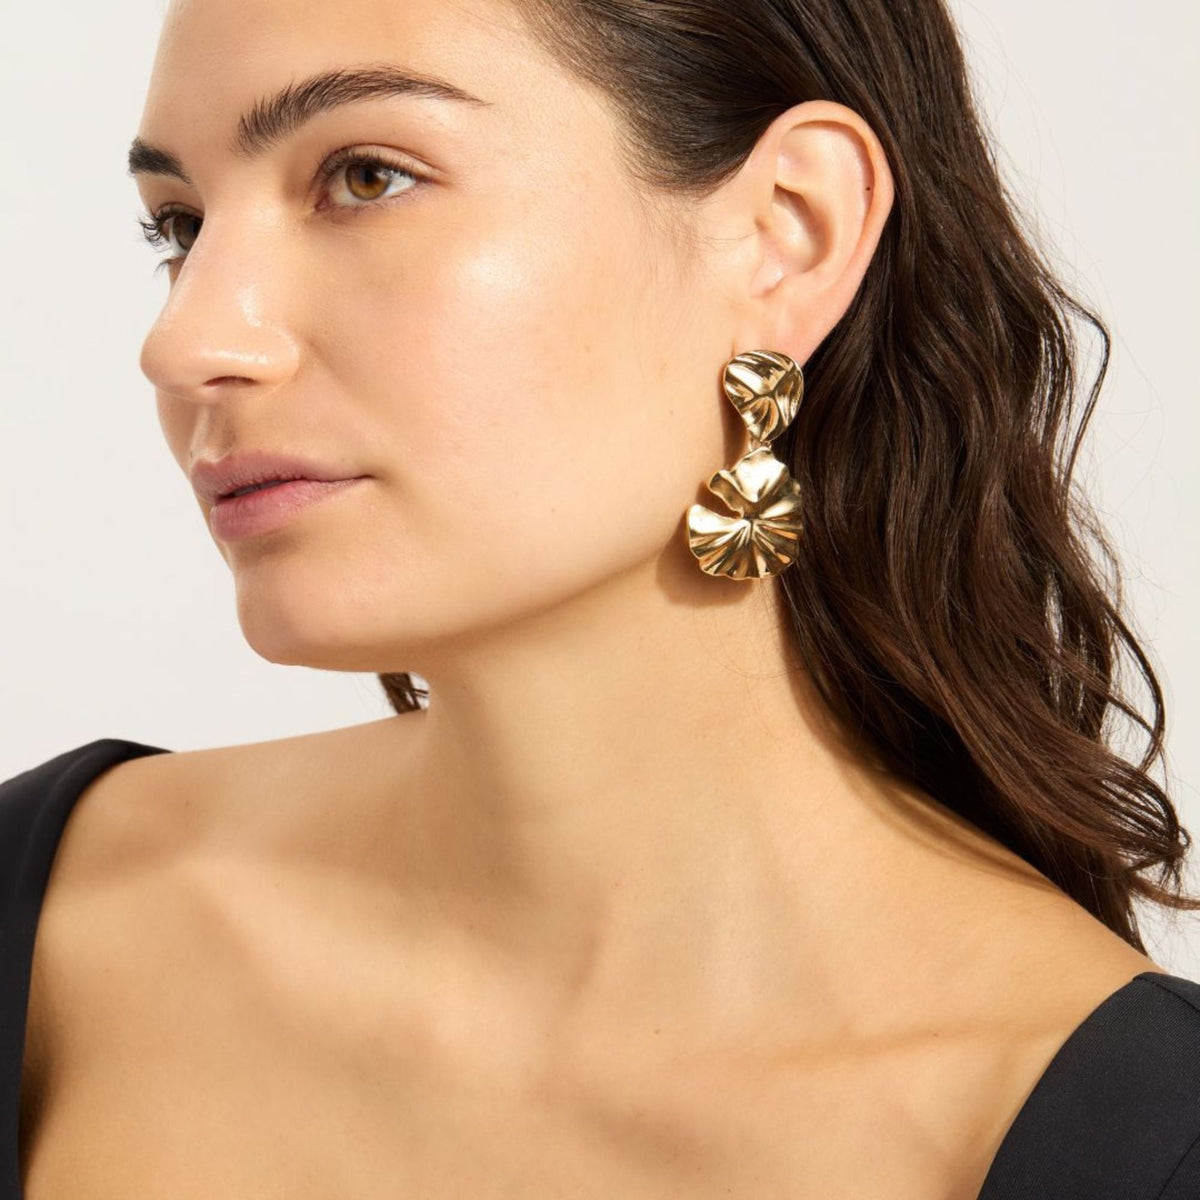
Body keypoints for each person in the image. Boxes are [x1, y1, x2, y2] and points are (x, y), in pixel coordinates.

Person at [2, 0, 1199, 1196]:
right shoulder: (46, 918)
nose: (187, 341)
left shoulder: (1122, 1137)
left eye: (367, 177)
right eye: (181, 225)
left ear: (788, 233)